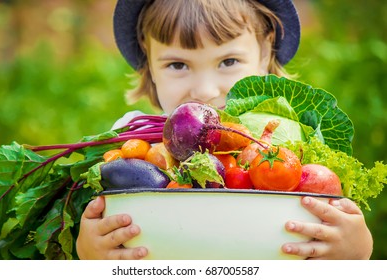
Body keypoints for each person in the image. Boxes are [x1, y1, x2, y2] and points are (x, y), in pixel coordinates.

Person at [76, 0, 373, 260]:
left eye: (228, 61)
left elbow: (329, 226)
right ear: (149, 59)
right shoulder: (130, 140)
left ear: (265, 50)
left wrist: (356, 251)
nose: (205, 91)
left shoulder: (293, 145)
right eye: (178, 64)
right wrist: (91, 253)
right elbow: (103, 231)